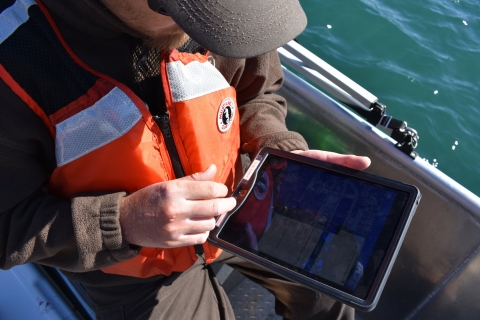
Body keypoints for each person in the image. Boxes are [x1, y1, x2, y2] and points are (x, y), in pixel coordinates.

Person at [0, 0, 371, 319]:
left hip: (240, 212)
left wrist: (279, 148)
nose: (212, 27)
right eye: (194, 11)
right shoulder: (12, 67)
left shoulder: (229, 17)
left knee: (331, 279)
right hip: (131, 273)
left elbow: (258, 93)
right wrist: (124, 222)